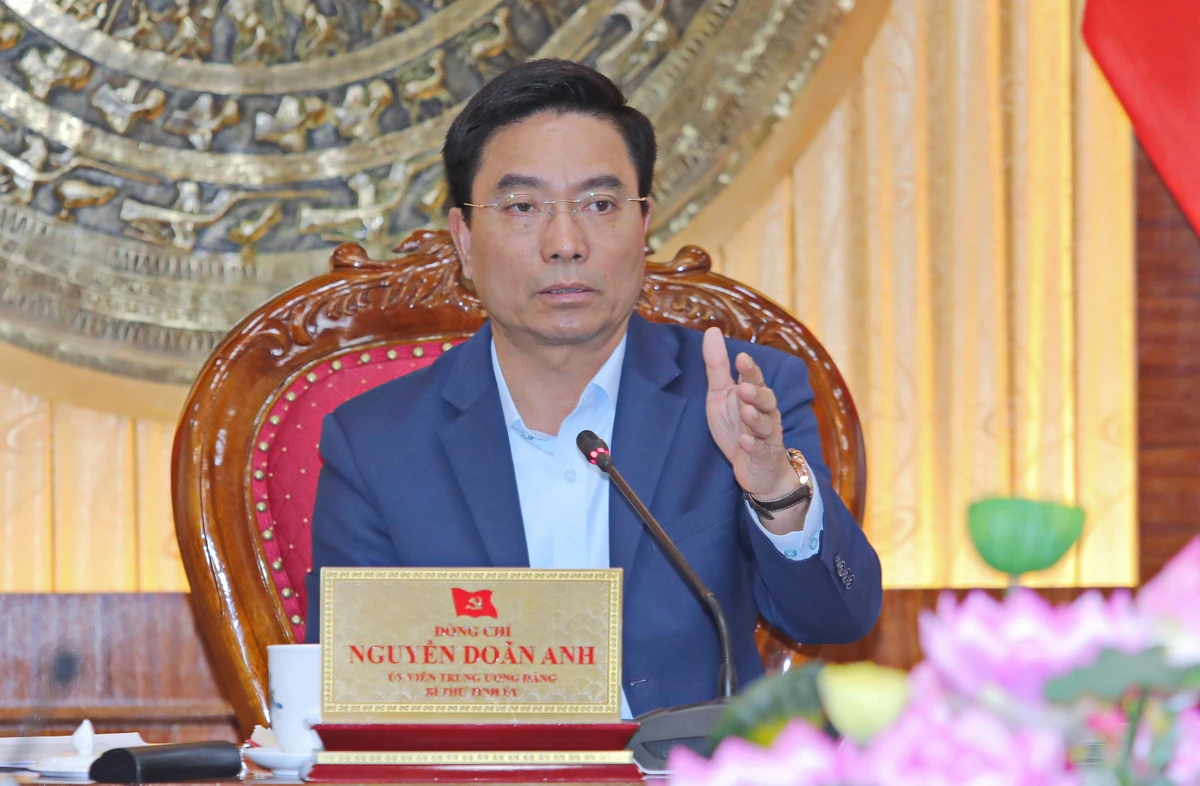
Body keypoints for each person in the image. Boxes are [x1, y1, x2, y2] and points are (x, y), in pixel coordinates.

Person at [305, 58, 881, 718]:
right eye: (523, 207)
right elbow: (350, 691)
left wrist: (774, 488)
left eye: (600, 205)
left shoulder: (742, 396)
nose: (565, 243)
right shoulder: (376, 441)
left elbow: (837, 617)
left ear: (644, 225)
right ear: (463, 239)